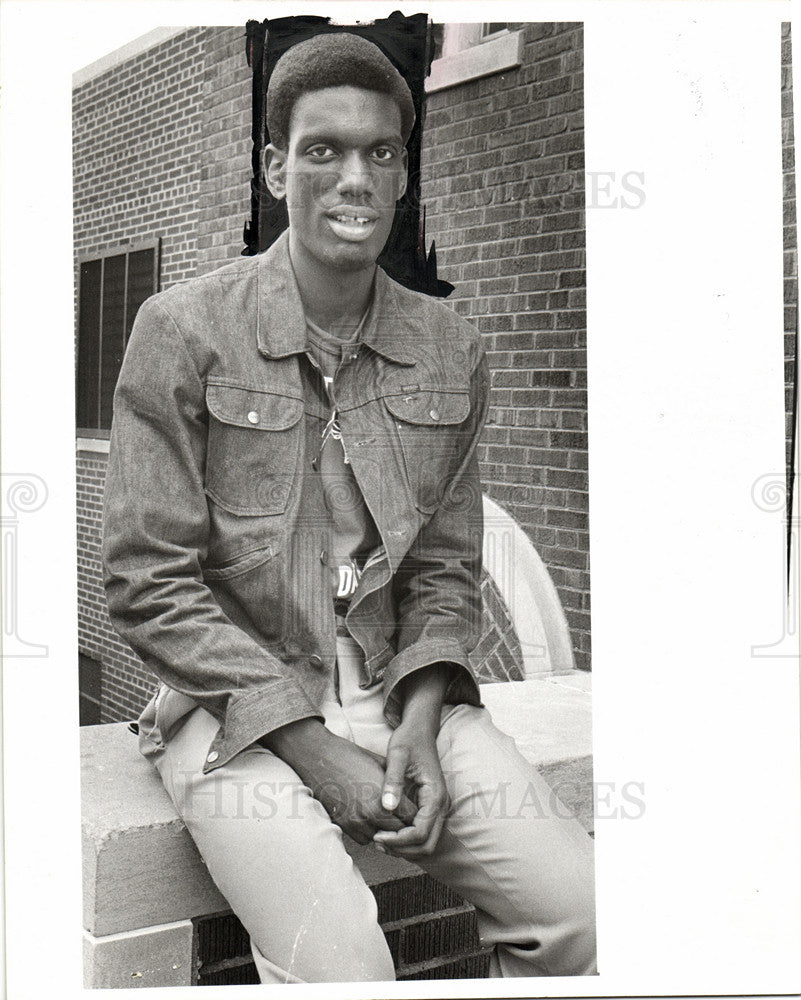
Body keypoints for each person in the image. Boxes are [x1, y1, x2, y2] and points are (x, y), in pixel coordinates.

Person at [102, 31, 597, 984]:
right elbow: (146, 579)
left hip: (396, 689)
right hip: (229, 705)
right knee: (343, 970)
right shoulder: (182, 329)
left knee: (586, 914)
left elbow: (446, 570)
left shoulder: (450, 346)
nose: (353, 179)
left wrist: (417, 720)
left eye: (379, 153)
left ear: (404, 176)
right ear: (272, 165)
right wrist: (314, 750)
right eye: (322, 150)